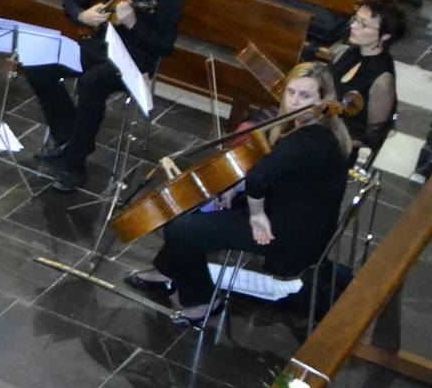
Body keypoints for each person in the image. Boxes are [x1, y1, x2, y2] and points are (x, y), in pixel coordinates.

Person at [124, 62, 352, 327]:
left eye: (305, 96)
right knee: (199, 212)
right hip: (295, 215)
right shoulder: (321, 130)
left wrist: (256, 216)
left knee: (180, 229)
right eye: (290, 92)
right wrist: (235, 189)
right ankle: (165, 271)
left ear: (324, 99)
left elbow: (258, 178)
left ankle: (202, 301)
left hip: (287, 234)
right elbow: (282, 175)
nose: (294, 102)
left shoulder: (308, 140)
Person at [24, 0, 184, 192]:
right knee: (37, 65)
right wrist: (82, 14)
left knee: (91, 83)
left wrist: (134, 24)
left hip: (134, 60)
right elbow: (72, 0)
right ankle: (70, 138)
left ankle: (75, 166)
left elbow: (165, 46)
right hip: (98, 47)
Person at [327, 0, 406, 158]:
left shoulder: (383, 79)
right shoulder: (347, 53)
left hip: (340, 148)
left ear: (385, 36)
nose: (353, 26)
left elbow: (373, 136)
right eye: (355, 19)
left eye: (363, 24)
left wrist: (329, 138)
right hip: (324, 125)